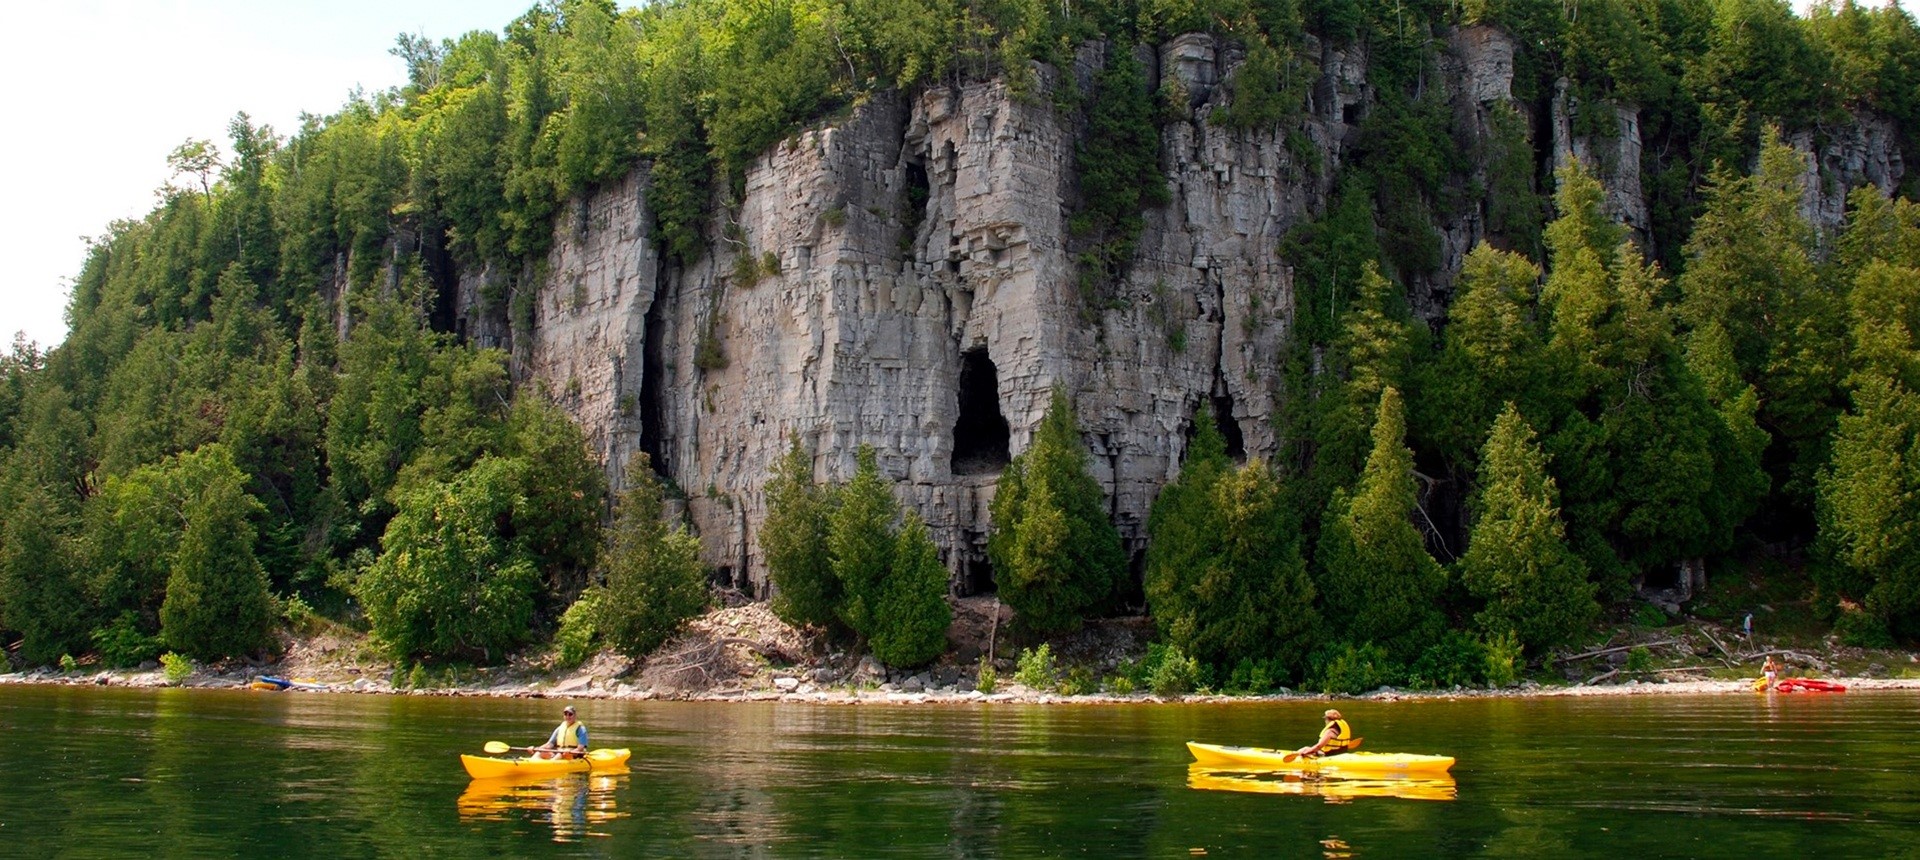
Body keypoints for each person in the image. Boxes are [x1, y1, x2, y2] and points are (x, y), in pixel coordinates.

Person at [1294, 709, 1358, 758]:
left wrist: (1307, 751)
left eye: (1325, 719)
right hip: (1342, 754)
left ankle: (1294, 756)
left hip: (1329, 756)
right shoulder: (1340, 729)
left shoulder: (1330, 732)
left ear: (1327, 719)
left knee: (1306, 748)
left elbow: (1318, 746)